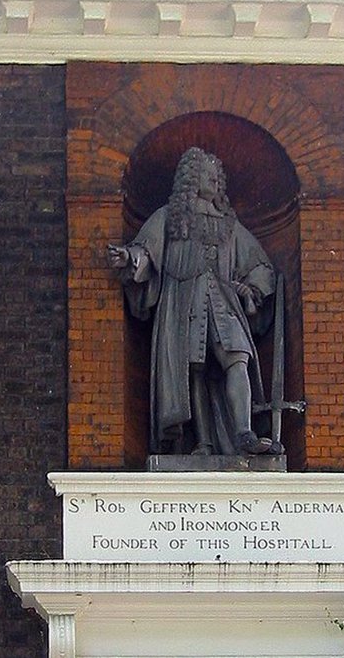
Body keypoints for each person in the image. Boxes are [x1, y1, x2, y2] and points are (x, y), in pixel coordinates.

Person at [108, 147, 281, 456]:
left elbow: (258, 264)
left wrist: (252, 288)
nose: (215, 180)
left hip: (224, 301)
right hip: (182, 303)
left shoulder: (229, 225)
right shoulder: (169, 218)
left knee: (237, 356)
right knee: (193, 371)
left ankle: (244, 432)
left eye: (218, 176)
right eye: (208, 174)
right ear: (191, 177)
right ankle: (203, 442)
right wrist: (130, 258)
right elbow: (147, 251)